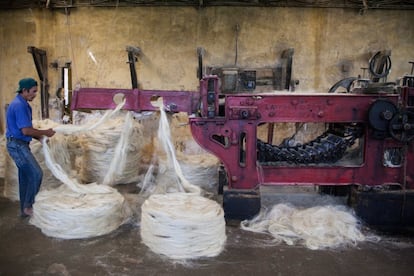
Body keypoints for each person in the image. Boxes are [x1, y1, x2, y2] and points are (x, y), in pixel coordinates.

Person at [5, 78, 56, 217]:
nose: (34, 94)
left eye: (36, 92)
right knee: (36, 174)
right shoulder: (19, 106)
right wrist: (46, 132)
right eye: (33, 92)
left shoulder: (22, 103)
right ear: (24, 90)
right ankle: (28, 206)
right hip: (17, 145)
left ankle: (24, 209)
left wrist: (39, 137)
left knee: (25, 177)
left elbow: (25, 129)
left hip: (18, 143)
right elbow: (26, 131)